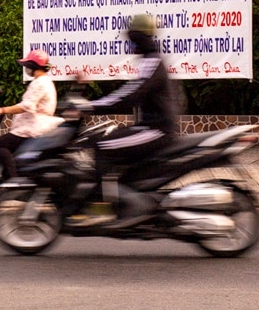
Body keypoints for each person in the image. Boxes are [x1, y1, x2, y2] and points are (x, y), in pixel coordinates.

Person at [68, 13, 180, 226]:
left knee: (102, 145)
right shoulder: (149, 60)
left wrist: (90, 107)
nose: (131, 43)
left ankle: (103, 209)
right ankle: (127, 199)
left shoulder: (152, 61)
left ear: (141, 37)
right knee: (102, 139)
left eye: (134, 38)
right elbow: (130, 93)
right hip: (148, 127)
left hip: (156, 130)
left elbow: (130, 95)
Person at [0, 50, 64, 179]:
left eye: (28, 65)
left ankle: (13, 179)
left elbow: (26, 106)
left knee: (0, 143)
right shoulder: (44, 81)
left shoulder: (39, 83)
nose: (26, 68)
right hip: (35, 125)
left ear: (33, 66)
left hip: (33, 127)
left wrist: (2, 110)